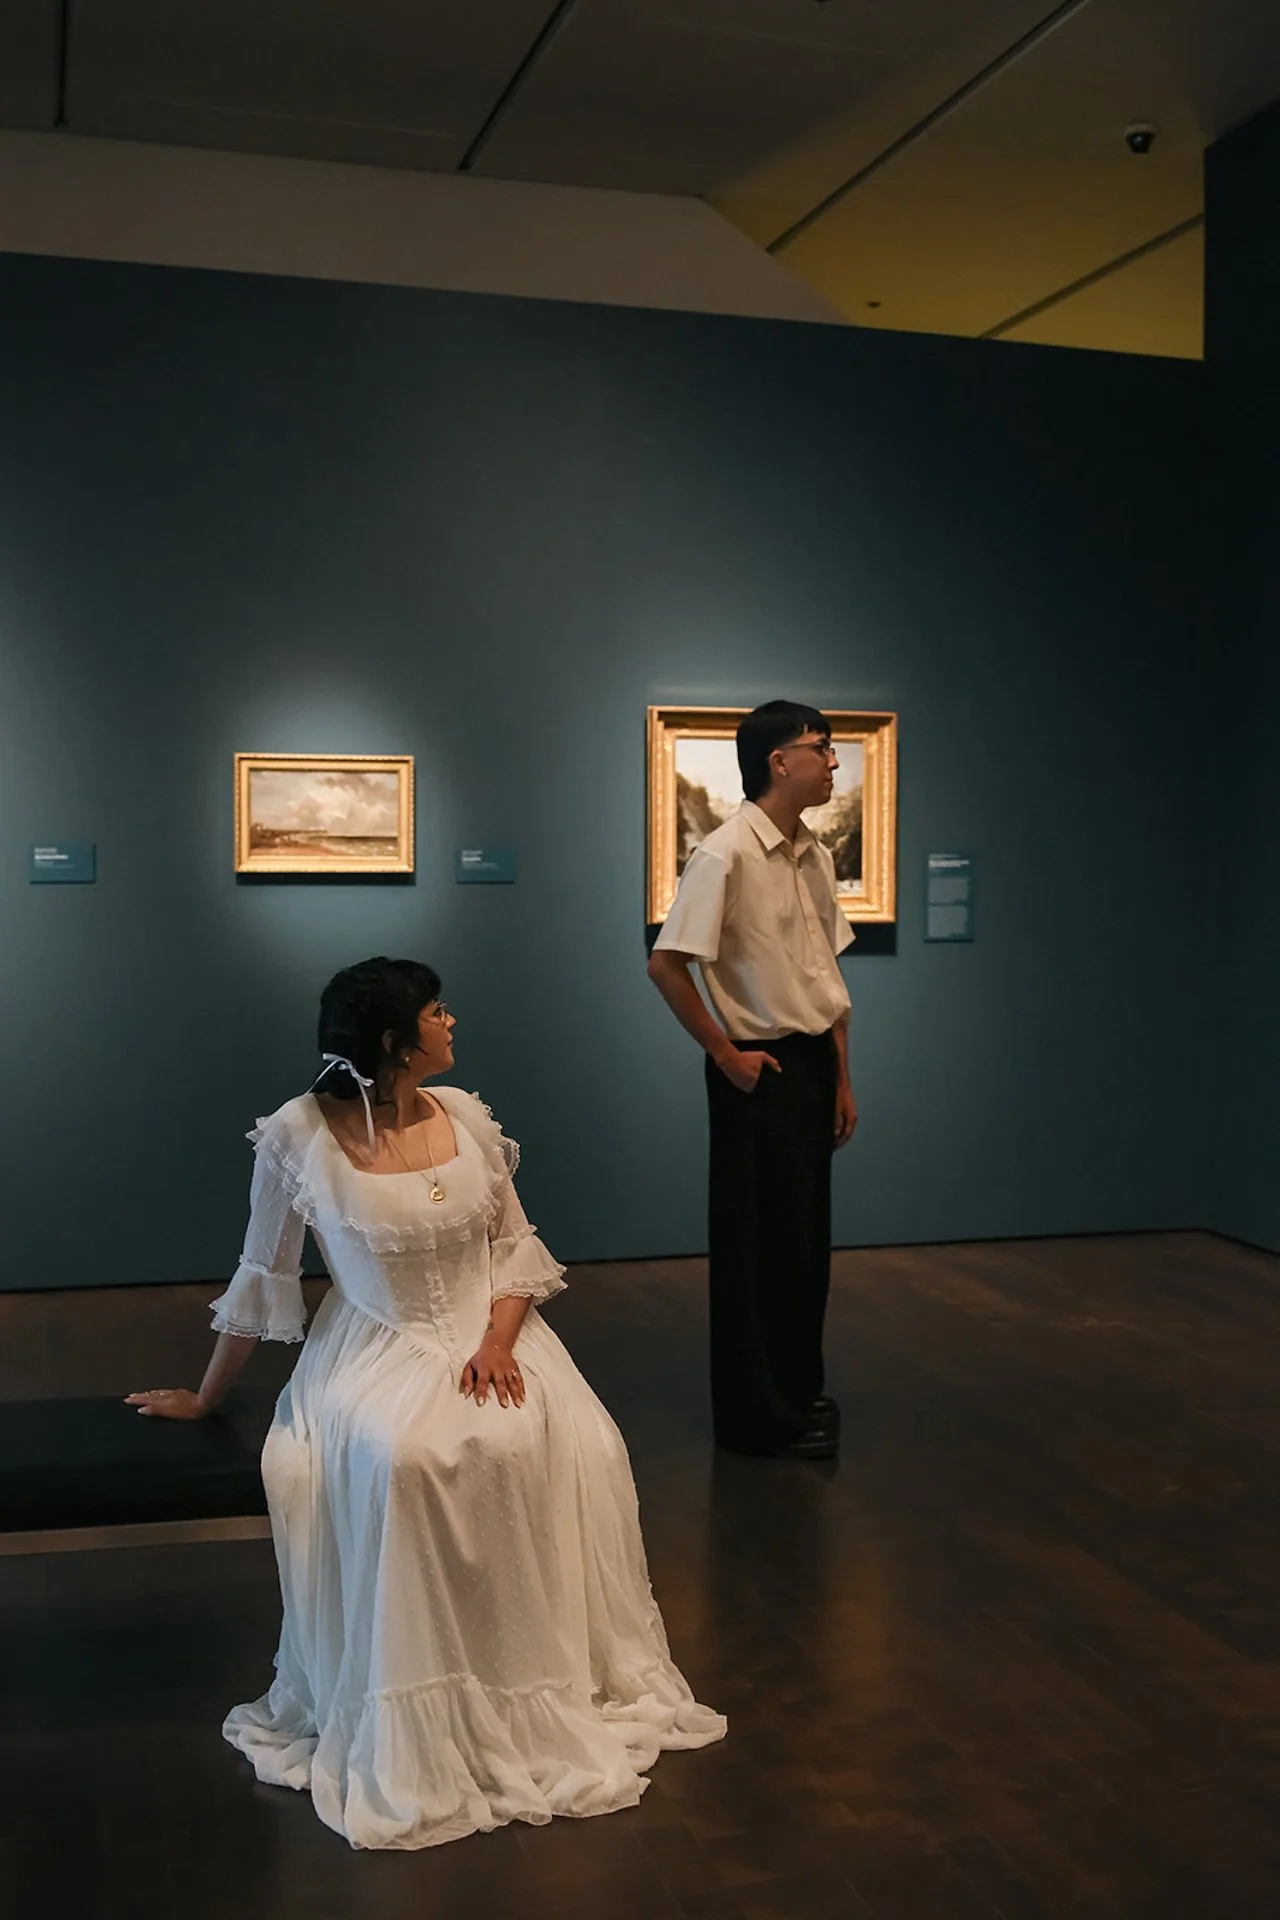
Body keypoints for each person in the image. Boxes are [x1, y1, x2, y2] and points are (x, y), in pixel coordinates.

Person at [126, 956, 724, 1850]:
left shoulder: (469, 1121)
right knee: (408, 1460)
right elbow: (265, 1274)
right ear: (393, 1041)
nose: (452, 1023)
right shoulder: (301, 1138)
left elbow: (517, 1251)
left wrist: (494, 1341)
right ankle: (420, 1698)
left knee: (569, 1442)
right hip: (373, 1345)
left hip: (490, 1342)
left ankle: (532, 1676)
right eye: (436, 1013)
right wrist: (206, 1396)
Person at [647, 701, 858, 1461]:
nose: (833, 762)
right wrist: (725, 1054)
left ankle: (799, 1391)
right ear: (779, 760)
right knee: (754, 1244)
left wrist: (841, 1079)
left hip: (807, 1064)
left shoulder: (814, 854)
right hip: (756, 1069)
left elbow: (826, 977)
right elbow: (666, 965)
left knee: (805, 1242)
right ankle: (755, 1414)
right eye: (822, 748)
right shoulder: (726, 854)